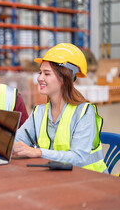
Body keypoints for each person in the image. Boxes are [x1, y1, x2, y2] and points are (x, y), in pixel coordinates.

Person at [13, 43, 108, 173]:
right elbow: (16, 139)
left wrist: (39, 152)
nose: (40, 78)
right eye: (40, 72)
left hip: (90, 181)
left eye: (47, 73)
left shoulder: (84, 112)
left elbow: (78, 158)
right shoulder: (39, 112)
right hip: (57, 177)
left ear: (64, 78)